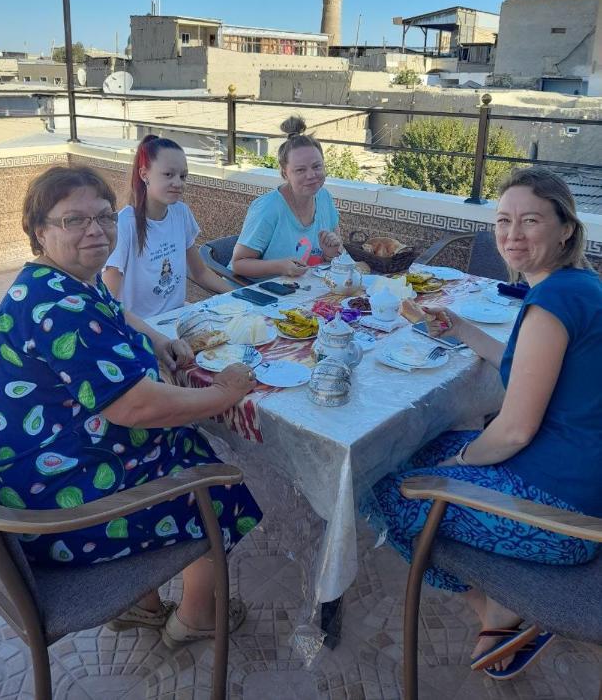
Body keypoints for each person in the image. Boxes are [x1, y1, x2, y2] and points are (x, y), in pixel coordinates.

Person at [0, 165, 262, 647]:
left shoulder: (61, 282)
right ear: (39, 231)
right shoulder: (58, 310)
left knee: (181, 441)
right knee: (214, 481)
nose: (95, 230)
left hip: (33, 468)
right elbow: (135, 408)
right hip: (51, 506)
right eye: (74, 220)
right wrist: (224, 395)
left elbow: (113, 310)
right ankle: (195, 618)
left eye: (105, 217)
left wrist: (156, 340)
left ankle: (141, 607)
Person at [360, 166, 601, 680]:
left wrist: (460, 461)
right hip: (576, 471)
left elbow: (514, 430)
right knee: (409, 451)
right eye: (503, 221)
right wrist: (461, 327)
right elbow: (524, 369)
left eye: (530, 221)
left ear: (565, 229)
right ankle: (501, 607)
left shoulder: (551, 304)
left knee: (380, 487)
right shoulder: (577, 286)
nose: (512, 236)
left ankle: (498, 608)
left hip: (565, 513)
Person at [103, 135, 231, 319]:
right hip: (142, 332)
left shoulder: (181, 213)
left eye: (183, 176)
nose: (178, 183)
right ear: (144, 174)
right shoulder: (124, 224)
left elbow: (200, 272)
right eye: (168, 174)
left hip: (178, 320)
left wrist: (241, 295)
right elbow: (109, 301)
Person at [231, 116, 343, 280]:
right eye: (300, 170)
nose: (311, 175)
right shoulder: (268, 208)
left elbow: (335, 250)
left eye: (317, 166)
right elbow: (238, 263)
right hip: (263, 296)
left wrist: (331, 253)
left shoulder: (324, 197)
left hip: (306, 293)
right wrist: (279, 267)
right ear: (285, 173)